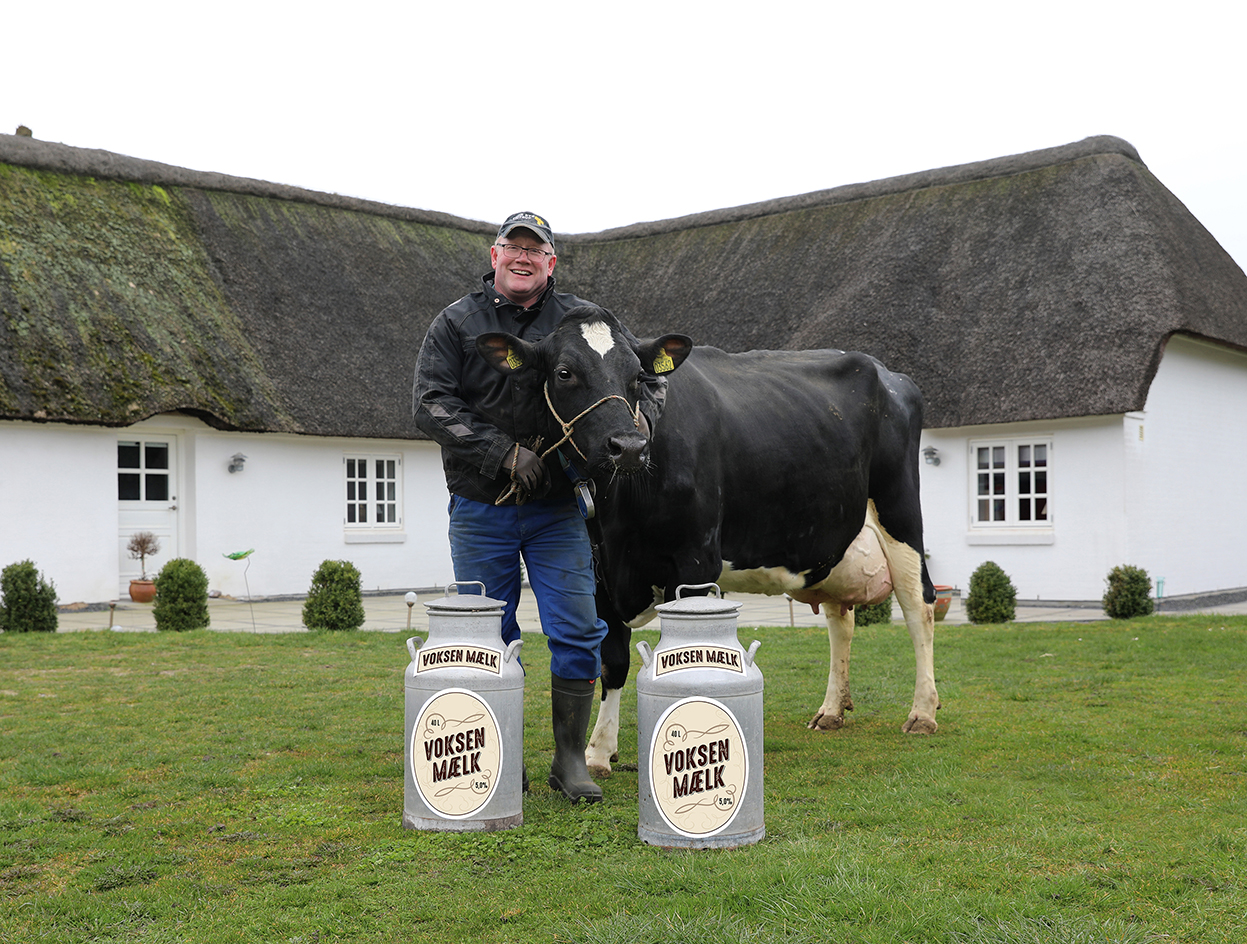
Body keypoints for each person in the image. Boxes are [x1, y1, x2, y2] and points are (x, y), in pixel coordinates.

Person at [412, 211, 662, 803]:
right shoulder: (456, 323)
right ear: (494, 255)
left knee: (578, 628)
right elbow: (429, 403)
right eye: (512, 247)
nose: (523, 257)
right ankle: (492, 759)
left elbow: (642, 377)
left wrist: (642, 421)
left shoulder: (587, 321)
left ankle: (570, 762)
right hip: (481, 506)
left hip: (557, 506)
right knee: (484, 638)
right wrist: (503, 453)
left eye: (536, 249)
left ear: (552, 261)